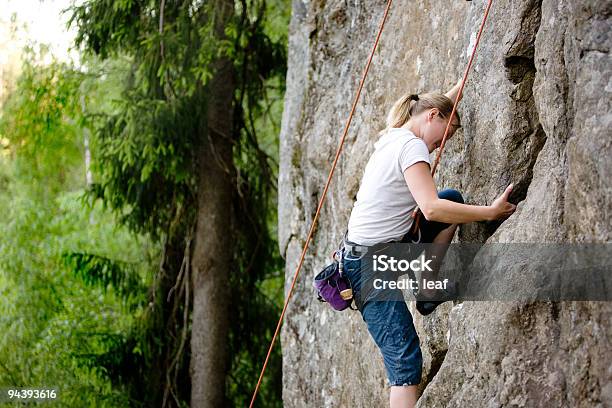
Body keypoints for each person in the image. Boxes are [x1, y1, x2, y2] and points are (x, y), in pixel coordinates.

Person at [341, 79, 516, 408]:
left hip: (382, 249)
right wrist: (489, 213)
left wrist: (460, 87)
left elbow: (435, 109)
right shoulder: (412, 146)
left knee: (453, 199)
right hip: (369, 267)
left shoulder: (393, 135)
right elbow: (431, 207)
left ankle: (427, 290)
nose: (439, 146)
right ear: (431, 116)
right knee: (404, 363)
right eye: (444, 137)